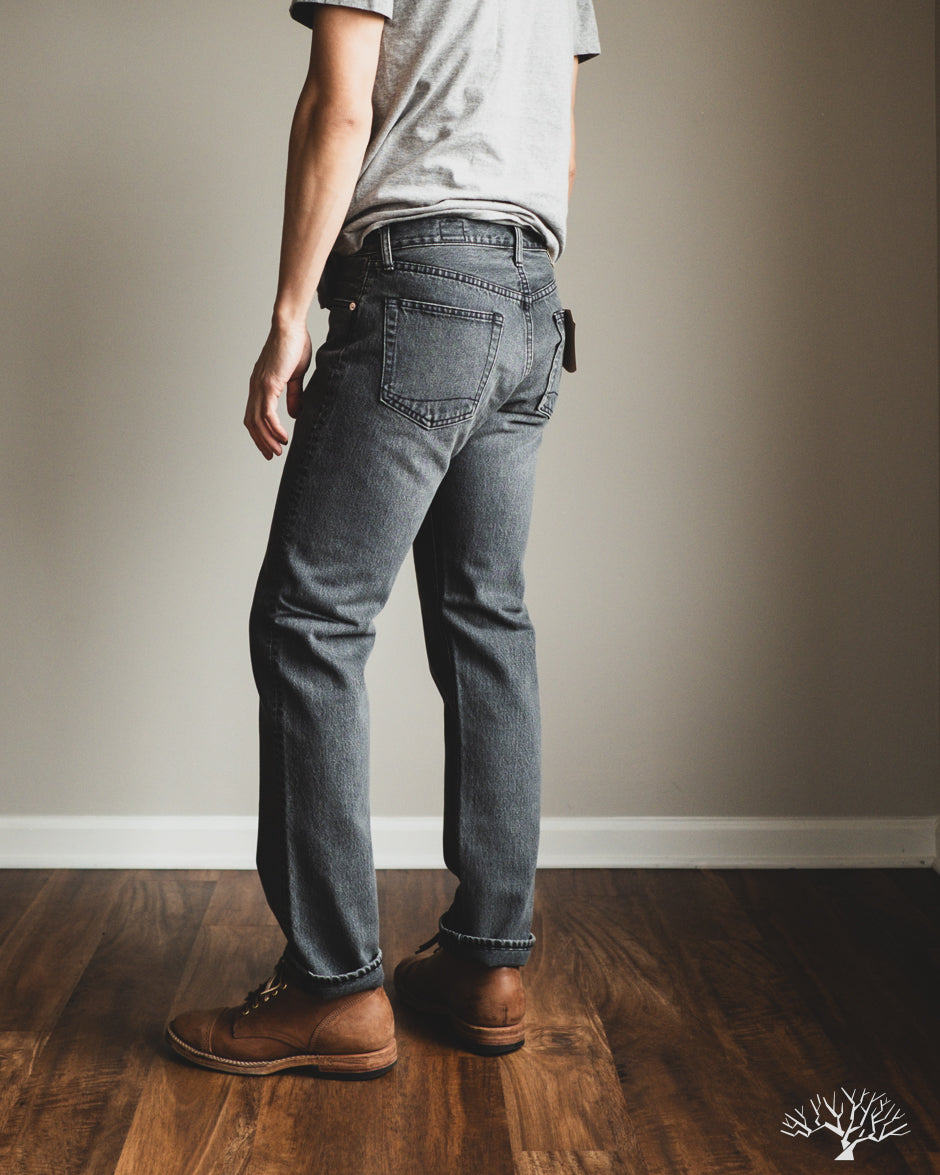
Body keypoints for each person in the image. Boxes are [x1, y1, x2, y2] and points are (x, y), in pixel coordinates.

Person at [166, 0, 599, 1079]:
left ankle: (333, 986)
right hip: (532, 301)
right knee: (488, 621)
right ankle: (488, 963)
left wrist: (287, 318)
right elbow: (558, 142)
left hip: (418, 285)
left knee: (310, 623)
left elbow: (339, 102)